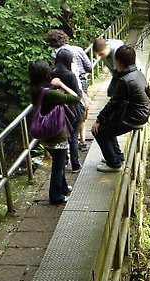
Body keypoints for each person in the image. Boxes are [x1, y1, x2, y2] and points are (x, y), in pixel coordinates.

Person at [28, 61, 81, 205]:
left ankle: (63, 188)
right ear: (46, 74)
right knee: (58, 166)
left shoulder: (35, 90)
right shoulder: (51, 94)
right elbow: (76, 97)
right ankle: (56, 196)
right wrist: (62, 85)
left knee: (60, 162)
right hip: (56, 135)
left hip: (45, 135)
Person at [92, 45, 150, 172]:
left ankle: (114, 163)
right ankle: (117, 156)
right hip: (142, 113)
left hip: (134, 117)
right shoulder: (138, 73)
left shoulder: (125, 80)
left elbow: (113, 102)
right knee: (108, 125)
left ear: (119, 61)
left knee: (99, 131)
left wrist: (98, 119)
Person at [46, 29, 93, 151]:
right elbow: (89, 67)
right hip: (81, 86)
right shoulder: (78, 49)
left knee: (68, 118)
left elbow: (55, 74)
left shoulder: (55, 54)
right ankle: (82, 142)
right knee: (81, 115)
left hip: (64, 90)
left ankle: (68, 146)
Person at [51, 49, 84, 173]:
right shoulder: (70, 75)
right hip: (73, 110)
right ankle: (75, 165)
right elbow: (77, 95)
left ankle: (64, 161)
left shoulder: (52, 73)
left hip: (59, 110)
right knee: (74, 137)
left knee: (63, 137)